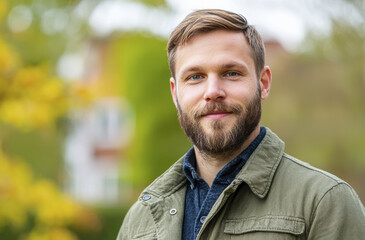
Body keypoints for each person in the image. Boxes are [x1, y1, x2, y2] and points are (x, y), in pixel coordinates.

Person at [117, 9, 365, 240]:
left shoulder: (324, 202)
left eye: (231, 73)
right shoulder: (140, 219)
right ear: (175, 94)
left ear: (263, 83)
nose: (213, 92)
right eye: (195, 77)